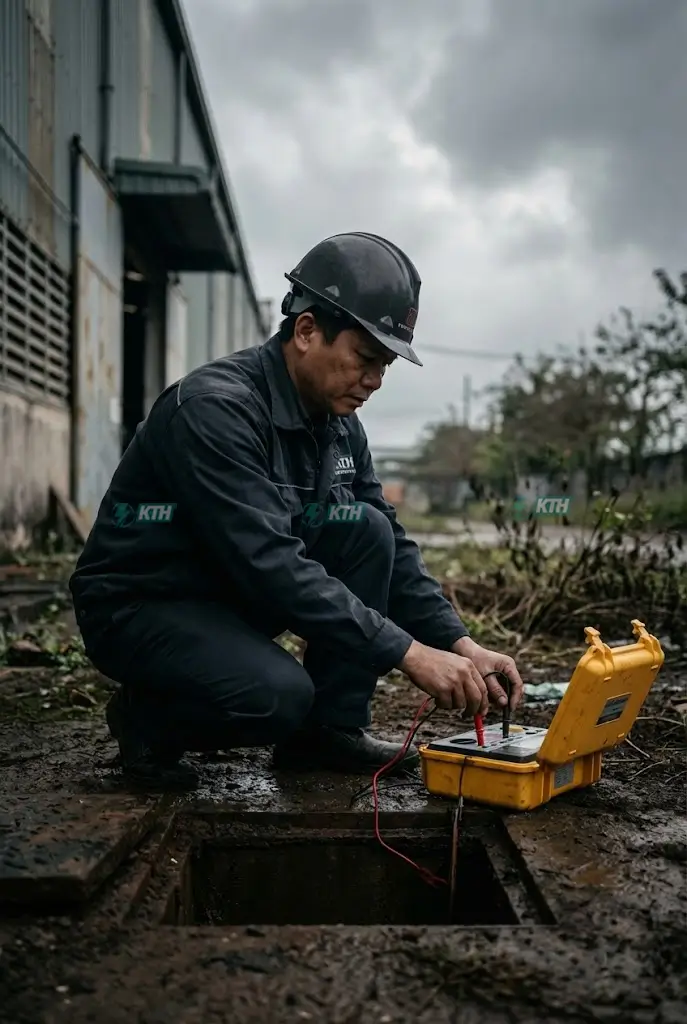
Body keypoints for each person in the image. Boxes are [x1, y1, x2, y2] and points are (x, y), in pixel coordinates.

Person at [69, 231, 524, 790]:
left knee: (367, 529)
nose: (376, 381)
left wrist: (460, 643)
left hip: (228, 593)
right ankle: (147, 719)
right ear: (307, 330)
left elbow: (393, 546)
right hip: (143, 605)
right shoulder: (216, 410)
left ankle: (329, 733)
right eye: (365, 358)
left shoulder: (338, 423)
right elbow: (270, 563)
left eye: (386, 365)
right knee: (277, 698)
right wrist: (410, 654)